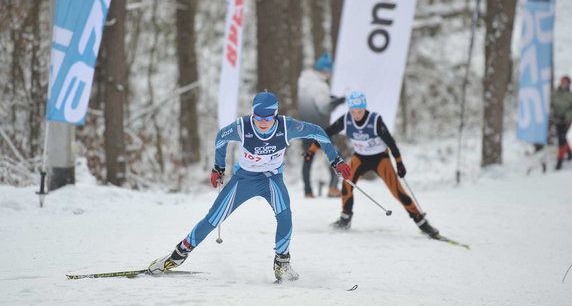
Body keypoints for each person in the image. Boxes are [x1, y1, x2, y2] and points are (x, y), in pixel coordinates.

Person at [148, 92, 351, 282]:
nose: (262, 123)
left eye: (268, 118)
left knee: (285, 215)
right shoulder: (242, 127)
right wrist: (218, 167)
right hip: (244, 179)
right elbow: (221, 137)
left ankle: (282, 263)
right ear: (252, 114)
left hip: (272, 179)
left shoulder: (287, 126)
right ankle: (177, 255)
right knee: (213, 218)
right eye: (258, 117)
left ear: (276, 115)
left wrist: (336, 161)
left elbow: (318, 132)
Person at [306, 91, 440, 239]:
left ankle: (421, 222)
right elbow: (326, 133)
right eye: (353, 111)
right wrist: (312, 150)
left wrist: (399, 163)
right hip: (360, 157)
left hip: (380, 158)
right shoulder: (346, 120)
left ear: (365, 109)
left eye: (360, 111)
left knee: (398, 191)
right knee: (347, 185)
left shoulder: (375, 120)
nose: (356, 115)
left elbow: (391, 142)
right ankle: (345, 219)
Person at [297, 53, 345, 198]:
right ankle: (333, 188)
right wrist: (337, 102)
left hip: (304, 128)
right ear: (326, 70)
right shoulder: (320, 85)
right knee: (335, 156)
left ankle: (308, 191)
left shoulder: (304, 81)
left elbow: (313, 101)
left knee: (308, 158)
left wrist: (330, 98)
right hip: (320, 129)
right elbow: (324, 107)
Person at [550, 75, 572, 170]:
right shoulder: (554, 93)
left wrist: (567, 116)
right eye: (563, 82)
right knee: (562, 138)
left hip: (566, 121)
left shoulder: (570, 96)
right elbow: (550, 104)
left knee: (561, 139)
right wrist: (553, 114)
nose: (564, 84)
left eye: (566, 83)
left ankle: (559, 161)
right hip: (557, 120)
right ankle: (570, 152)